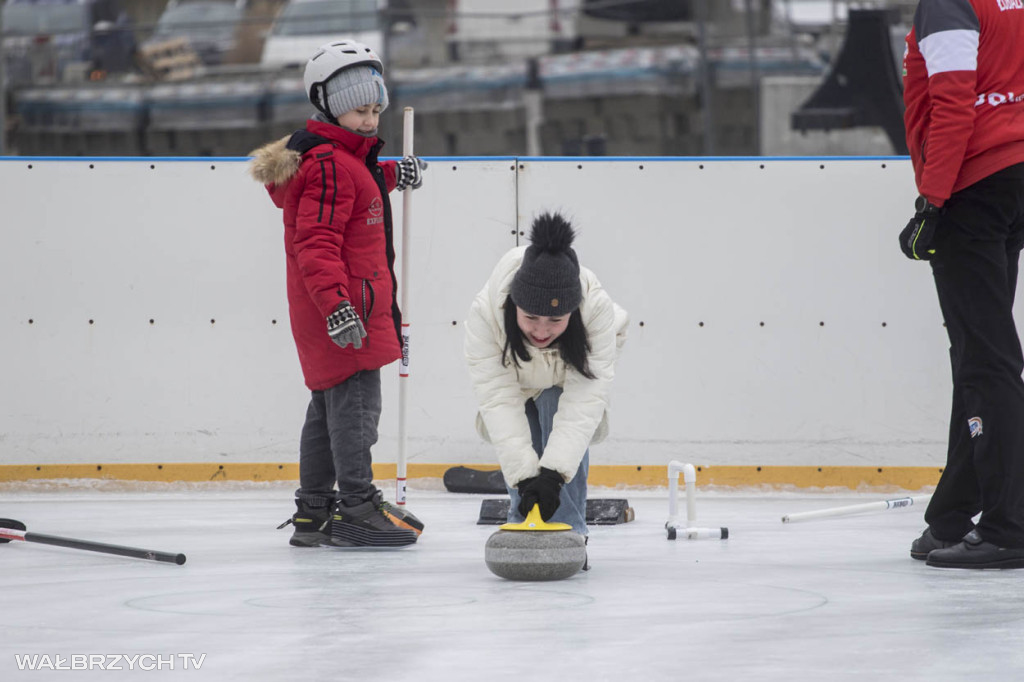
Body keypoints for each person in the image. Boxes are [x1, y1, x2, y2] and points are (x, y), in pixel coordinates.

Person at [249, 39, 427, 548]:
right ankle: (356, 504)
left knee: (326, 410)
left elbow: (357, 187)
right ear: (328, 105)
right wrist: (339, 308)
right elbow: (316, 244)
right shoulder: (329, 164)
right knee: (356, 412)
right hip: (346, 310)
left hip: (343, 308)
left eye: (375, 109)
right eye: (358, 110)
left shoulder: (341, 159)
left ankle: (314, 511)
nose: (370, 120)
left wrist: (393, 173)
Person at [899, 0, 1024, 569]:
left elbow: (953, 103)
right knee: (978, 354)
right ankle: (952, 515)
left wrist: (934, 199)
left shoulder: (950, 3)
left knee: (987, 361)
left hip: (974, 185)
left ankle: (1009, 525)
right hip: (1014, 179)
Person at [464, 212, 629, 540]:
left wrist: (553, 475)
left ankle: (569, 534)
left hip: (564, 380)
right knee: (523, 447)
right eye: (531, 317)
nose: (541, 330)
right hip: (518, 385)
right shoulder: (486, 316)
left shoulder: (596, 312)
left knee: (557, 407)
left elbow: (583, 402)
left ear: (573, 311)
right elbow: (498, 398)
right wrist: (526, 479)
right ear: (514, 306)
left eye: (556, 319)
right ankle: (522, 524)